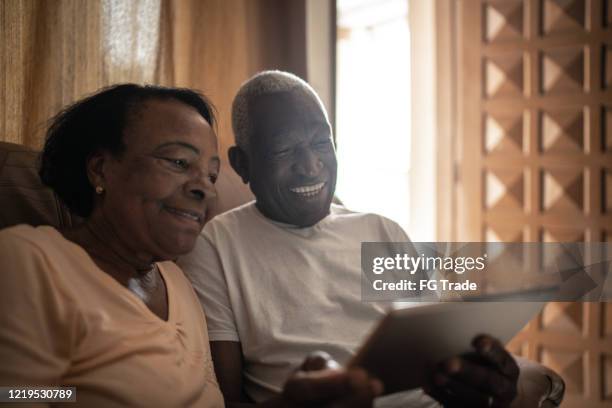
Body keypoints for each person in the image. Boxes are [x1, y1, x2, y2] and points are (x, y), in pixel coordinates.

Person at [0, 84, 384, 408]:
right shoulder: (30, 259)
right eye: (179, 162)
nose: (204, 188)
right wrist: (77, 396)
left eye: (211, 174)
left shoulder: (174, 281)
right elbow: (13, 393)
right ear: (101, 169)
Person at [179, 71, 521, 408]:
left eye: (320, 144)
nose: (311, 166)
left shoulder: (381, 231)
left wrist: (474, 373)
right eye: (284, 150)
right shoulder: (215, 247)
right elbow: (226, 400)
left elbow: (437, 352)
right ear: (243, 164)